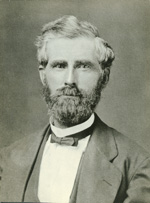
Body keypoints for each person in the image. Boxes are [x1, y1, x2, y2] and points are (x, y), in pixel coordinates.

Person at [0, 15, 150, 203]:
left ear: (104, 77)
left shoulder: (138, 165)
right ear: (43, 75)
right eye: (60, 65)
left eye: (83, 66)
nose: (70, 79)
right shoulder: (6, 160)